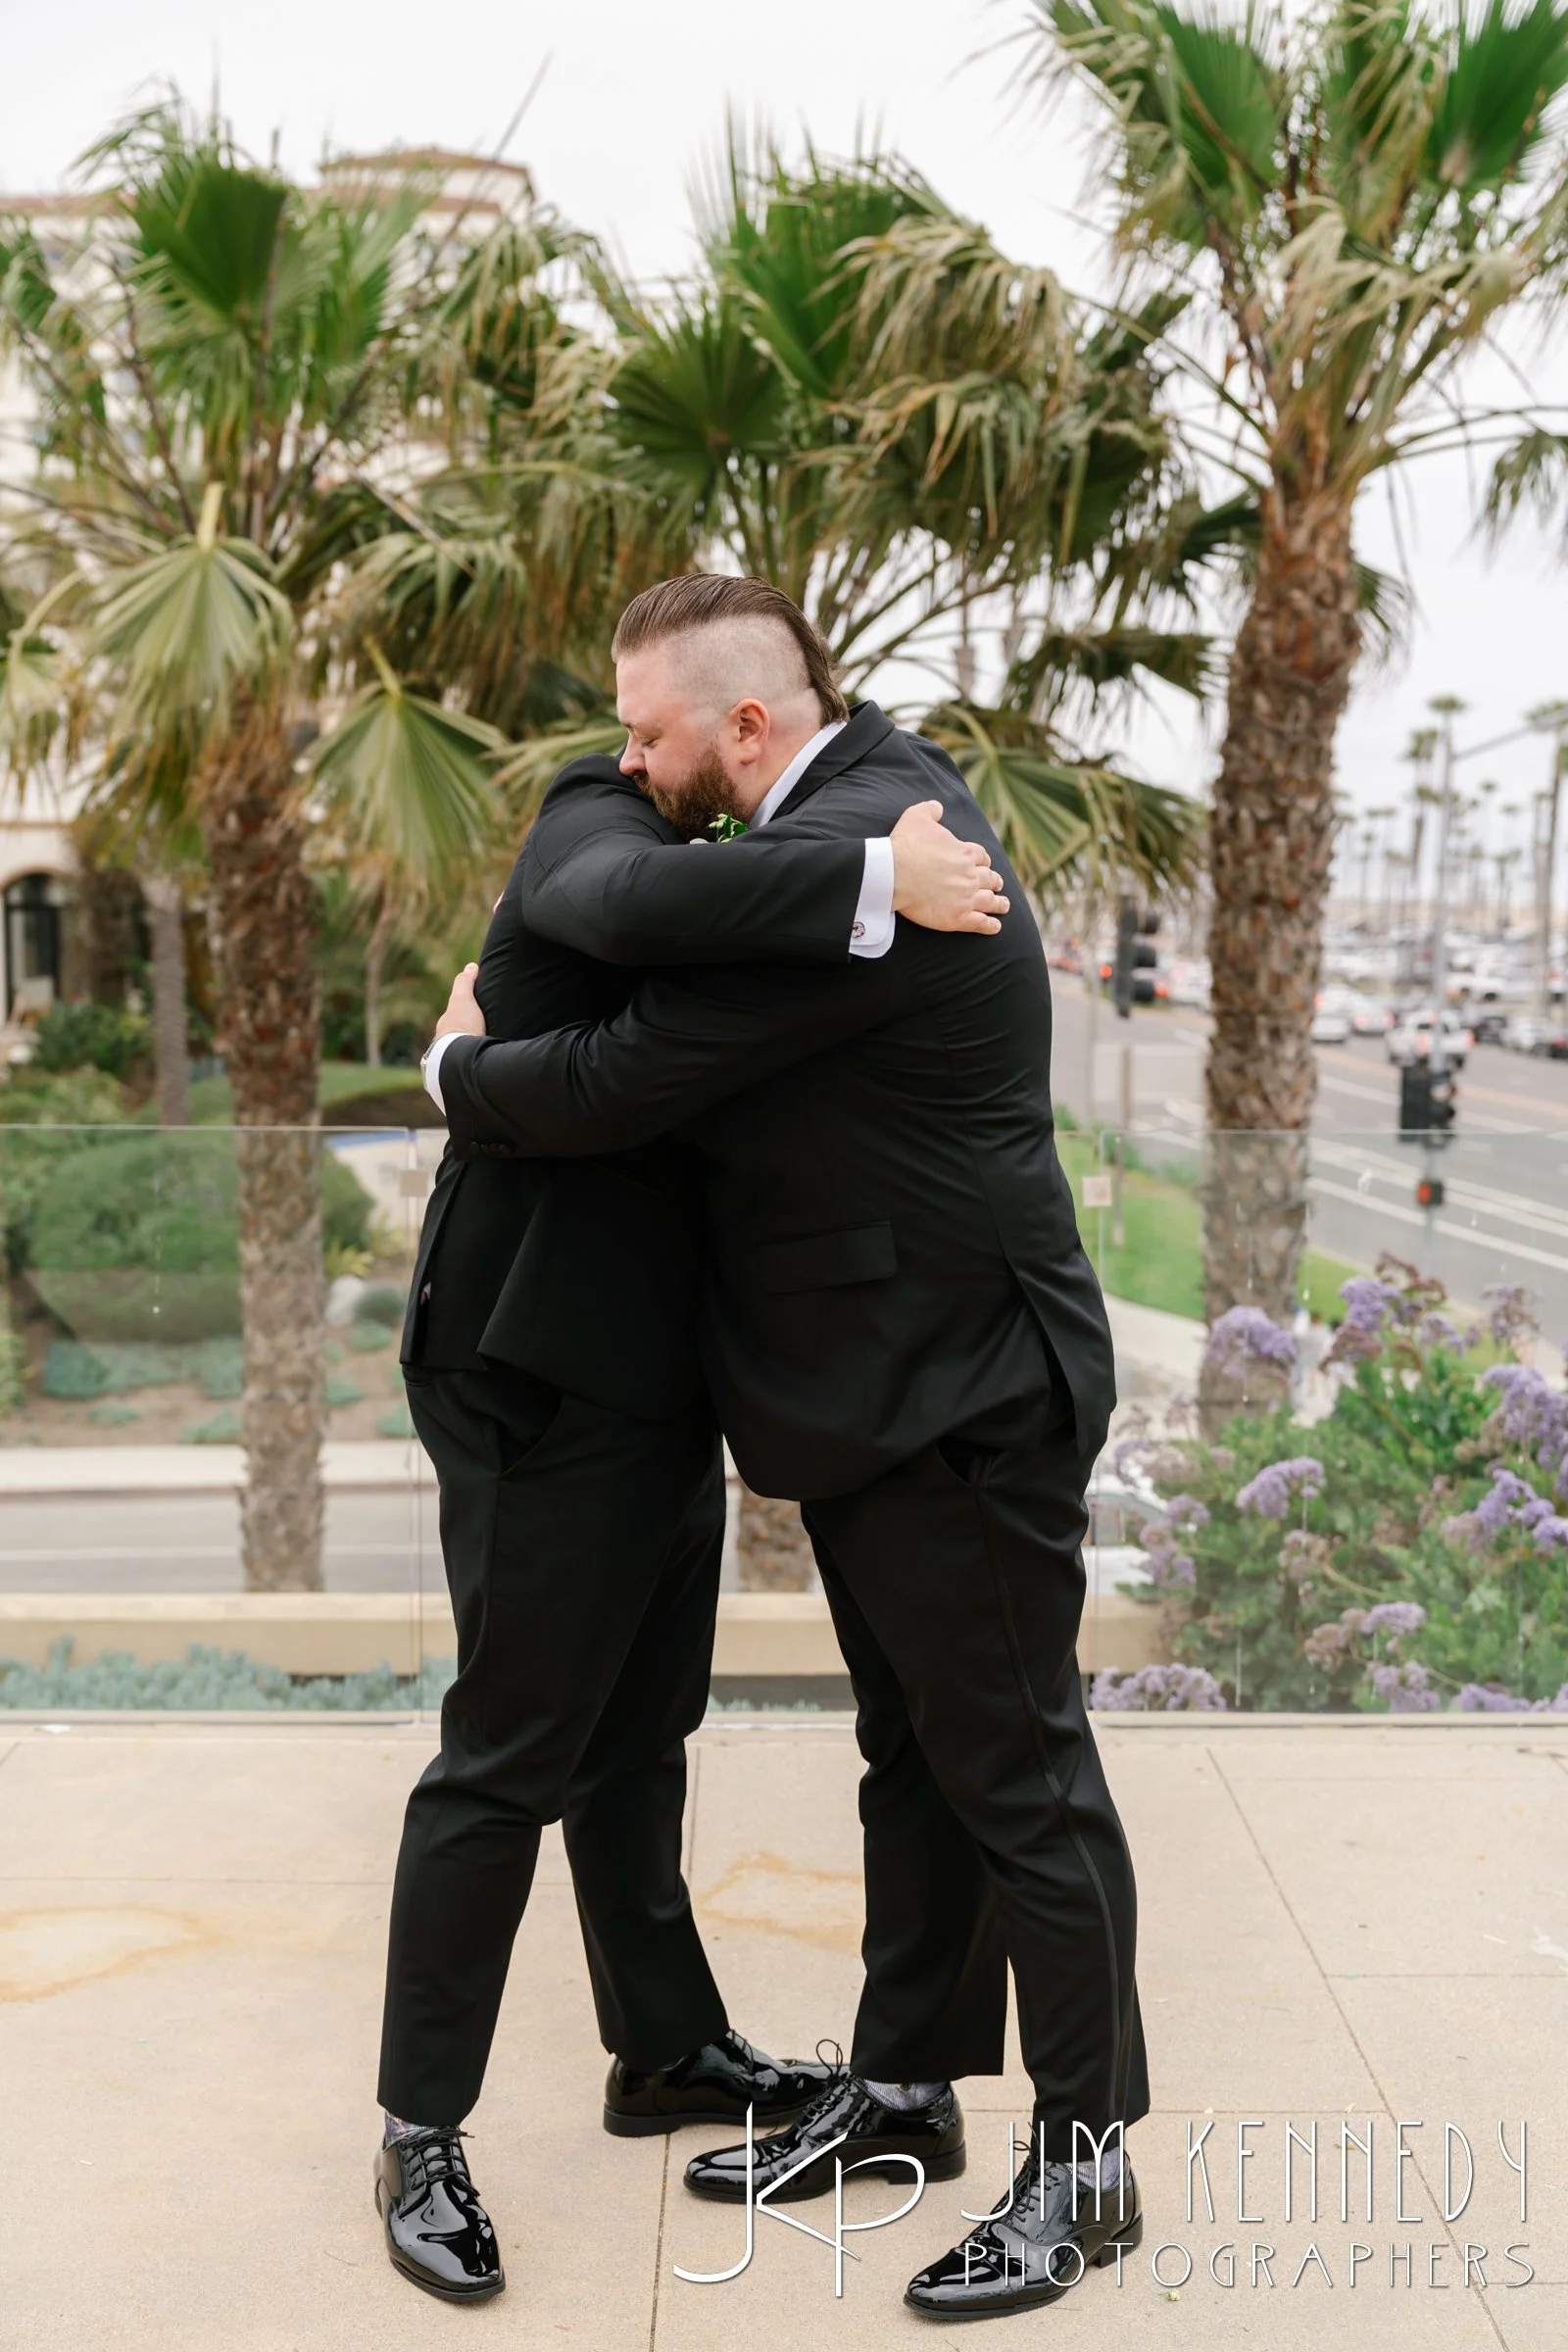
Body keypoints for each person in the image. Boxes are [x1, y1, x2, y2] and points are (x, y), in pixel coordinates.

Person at [425, 572, 1150, 2321]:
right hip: (884, 1392)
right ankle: (905, 2089)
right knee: (920, 1756)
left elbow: (622, 1073)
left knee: (1022, 1777)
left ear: (746, 726)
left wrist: (456, 1068)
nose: (629, 759)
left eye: (649, 732)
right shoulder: (850, 831)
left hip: (963, 1392)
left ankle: (1090, 2165)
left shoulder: (876, 863)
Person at [376, 722, 1003, 2301]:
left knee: (641, 1727)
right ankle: (416, 2131)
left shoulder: (769, 864)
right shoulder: (597, 812)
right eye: (636, 719)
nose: (636, 741)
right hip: (528, 1357)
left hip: (661, 1373)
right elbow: (621, 922)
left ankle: (662, 2050)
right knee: (508, 1753)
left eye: (658, 720)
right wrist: (875, 874)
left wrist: (866, 876)